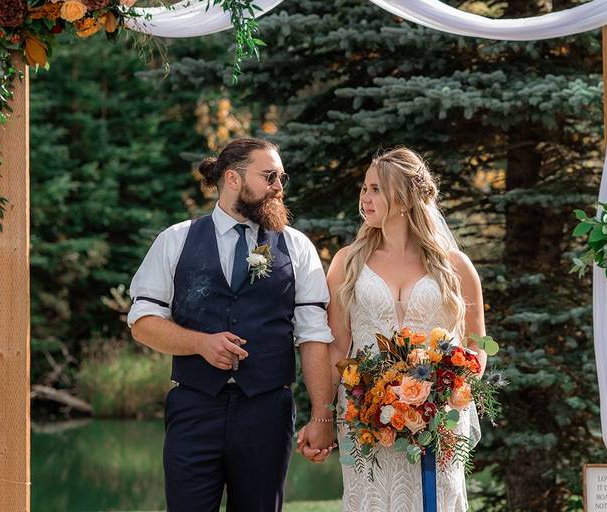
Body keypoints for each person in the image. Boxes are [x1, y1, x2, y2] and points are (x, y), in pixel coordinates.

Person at [128, 137, 336, 512]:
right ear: (233, 178)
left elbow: (314, 335)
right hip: (193, 407)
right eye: (270, 176)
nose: (279, 187)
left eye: (282, 178)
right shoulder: (175, 240)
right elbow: (143, 322)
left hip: (267, 411)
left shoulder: (297, 246)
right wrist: (200, 344)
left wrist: (323, 414)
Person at [297, 146, 487, 512]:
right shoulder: (348, 262)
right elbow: (337, 349)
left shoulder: (455, 267)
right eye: (364, 189)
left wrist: (446, 388)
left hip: (437, 420)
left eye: (375, 190)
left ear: (404, 198)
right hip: (366, 417)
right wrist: (321, 415)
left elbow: (476, 346)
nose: (364, 198)